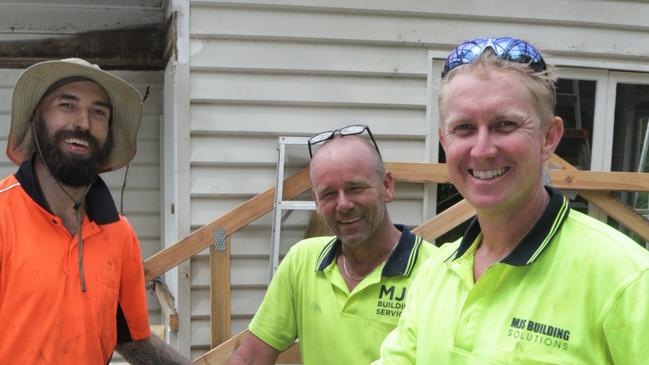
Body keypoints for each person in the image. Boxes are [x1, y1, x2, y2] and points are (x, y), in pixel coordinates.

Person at [375, 37, 649, 364]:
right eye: (463, 128)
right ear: (444, 142)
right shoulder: (436, 272)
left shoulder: (628, 279)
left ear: (549, 137)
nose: (482, 149)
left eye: (505, 124)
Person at [0, 58, 190, 364]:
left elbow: (133, 339)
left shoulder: (119, 234)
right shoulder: (3, 215)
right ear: (37, 118)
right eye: (66, 105)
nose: (83, 123)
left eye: (98, 112)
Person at [227, 125, 438, 365]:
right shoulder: (303, 260)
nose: (344, 204)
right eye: (328, 194)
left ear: (387, 187)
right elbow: (251, 357)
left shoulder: (435, 272)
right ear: (316, 202)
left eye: (355, 188)